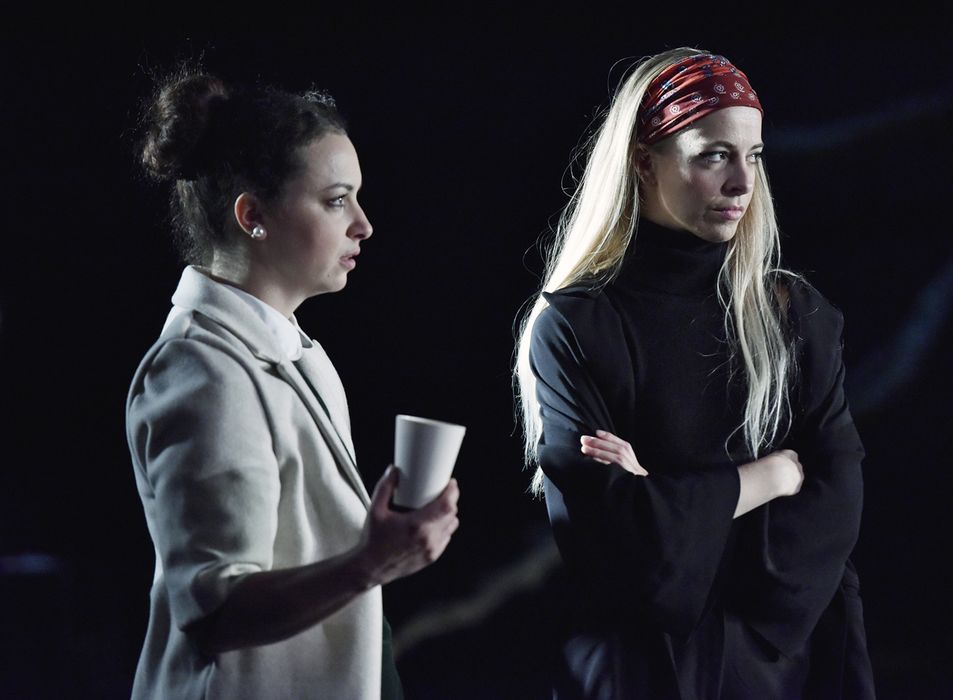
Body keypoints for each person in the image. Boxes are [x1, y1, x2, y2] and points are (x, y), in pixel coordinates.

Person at [515, 48, 875, 699]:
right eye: (714, 155)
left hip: (790, 668)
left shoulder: (795, 316)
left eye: (754, 156)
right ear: (643, 161)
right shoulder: (574, 326)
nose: (742, 183)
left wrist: (667, 502)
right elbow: (620, 554)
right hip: (638, 672)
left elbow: (834, 512)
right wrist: (770, 477)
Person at [127, 72, 460, 700]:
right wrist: (372, 562)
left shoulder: (294, 351)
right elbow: (216, 611)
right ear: (252, 215)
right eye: (336, 201)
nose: (363, 224)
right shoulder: (202, 371)